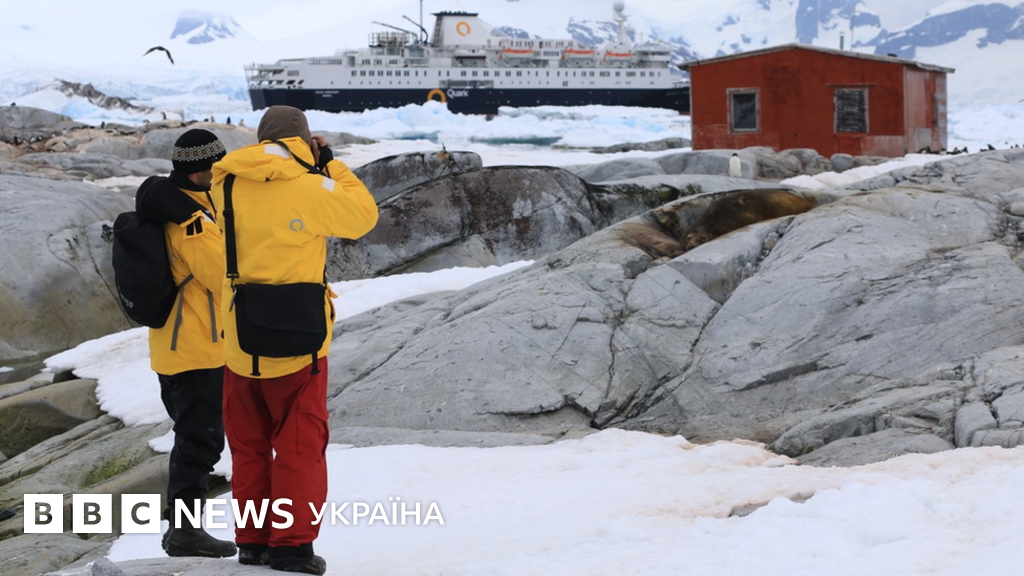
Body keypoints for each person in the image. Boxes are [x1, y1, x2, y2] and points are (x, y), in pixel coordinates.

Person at [210, 106, 378, 574]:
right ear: (303, 141)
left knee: (248, 447)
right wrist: (330, 164)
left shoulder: (225, 183)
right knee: (299, 445)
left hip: (239, 339)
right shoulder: (310, 187)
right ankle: (291, 547)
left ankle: (252, 542)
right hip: (300, 341)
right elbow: (364, 216)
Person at [135, 128, 237, 558]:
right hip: (194, 348)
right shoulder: (189, 220)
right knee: (199, 440)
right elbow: (220, 276)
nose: (221, 173)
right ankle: (184, 532)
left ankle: (183, 529)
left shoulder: (192, 203)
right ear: (201, 170)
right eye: (216, 166)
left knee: (197, 438)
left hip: (186, 345)